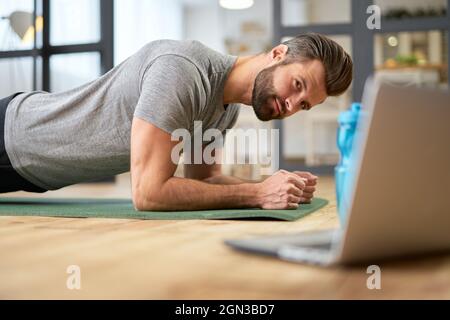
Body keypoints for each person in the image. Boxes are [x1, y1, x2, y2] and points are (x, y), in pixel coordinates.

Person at [0, 33, 352, 211]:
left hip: (28, 171)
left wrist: (276, 184)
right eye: (297, 86)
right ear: (278, 54)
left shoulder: (225, 106)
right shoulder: (183, 72)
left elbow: (207, 180)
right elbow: (149, 193)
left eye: (303, 105)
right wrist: (257, 193)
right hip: (11, 133)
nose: (290, 105)